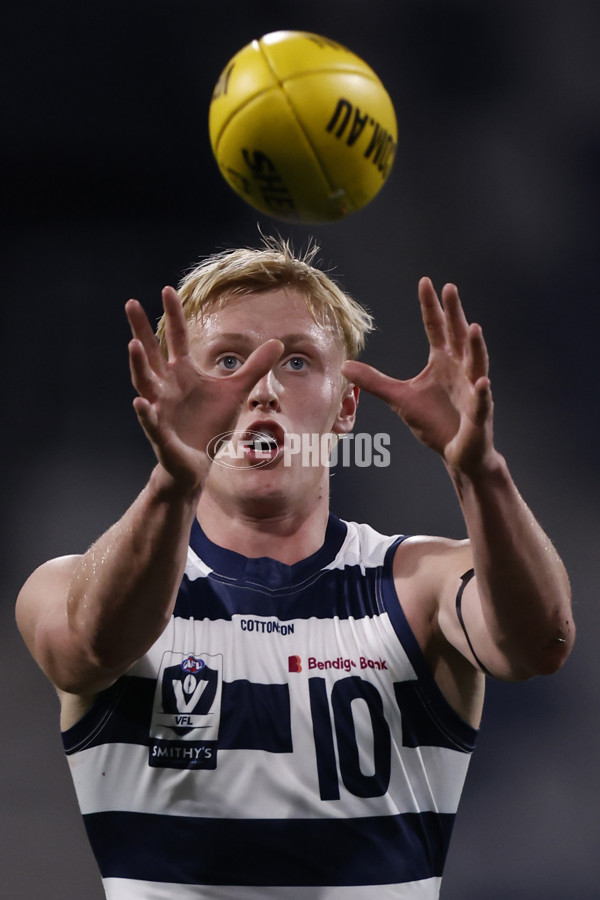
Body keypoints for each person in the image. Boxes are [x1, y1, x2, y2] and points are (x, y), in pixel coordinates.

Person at [16, 237, 574, 899]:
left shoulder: (417, 585)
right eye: (229, 359)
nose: (263, 389)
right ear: (172, 388)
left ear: (345, 409)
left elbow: (540, 643)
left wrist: (481, 472)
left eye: (299, 362)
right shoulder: (66, 585)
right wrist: (172, 483)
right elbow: (91, 642)